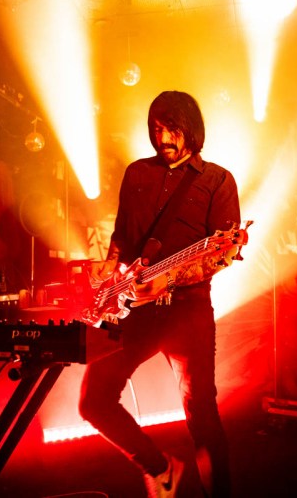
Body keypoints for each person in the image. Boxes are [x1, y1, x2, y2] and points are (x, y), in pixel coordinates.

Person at [78, 90, 241, 498]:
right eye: (156, 129)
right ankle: (160, 469)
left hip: (187, 311)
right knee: (94, 402)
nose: (163, 138)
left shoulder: (218, 180)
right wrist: (108, 265)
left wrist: (168, 280)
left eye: (172, 129)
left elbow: (221, 255)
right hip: (134, 311)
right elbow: (122, 237)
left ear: (192, 130)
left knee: (201, 413)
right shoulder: (136, 173)